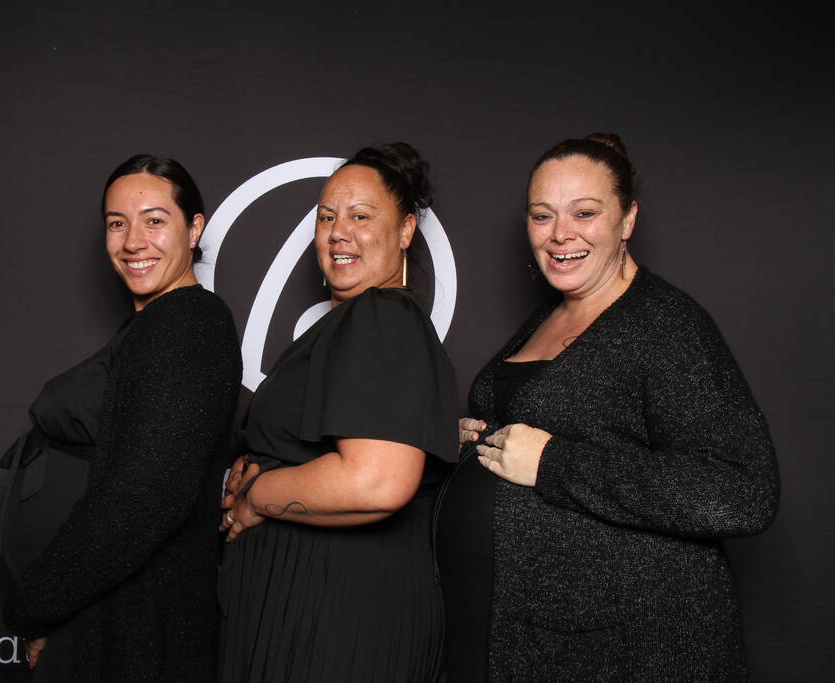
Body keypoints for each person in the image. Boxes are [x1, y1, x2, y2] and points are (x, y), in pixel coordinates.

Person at [435, 133, 780, 681]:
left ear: (627, 219)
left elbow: (741, 492)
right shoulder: (550, 315)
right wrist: (476, 441)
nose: (560, 233)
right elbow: (560, 423)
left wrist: (554, 464)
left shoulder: (666, 325)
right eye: (542, 215)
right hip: (524, 630)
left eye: (585, 213)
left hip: (624, 647)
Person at [218, 142, 459, 682]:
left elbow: (376, 482)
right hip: (313, 610)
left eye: (360, 216)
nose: (338, 232)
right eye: (327, 217)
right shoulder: (351, 325)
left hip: (339, 618)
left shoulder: (382, 317)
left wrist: (258, 497)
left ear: (405, 230)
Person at [1, 155, 241, 681]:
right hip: (102, 612)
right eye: (117, 224)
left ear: (194, 228)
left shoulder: (190, 323)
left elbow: (148, 494)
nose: (133, 241)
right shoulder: (154, 325)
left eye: (154, 220)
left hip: (133, 629)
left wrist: (39, 602)